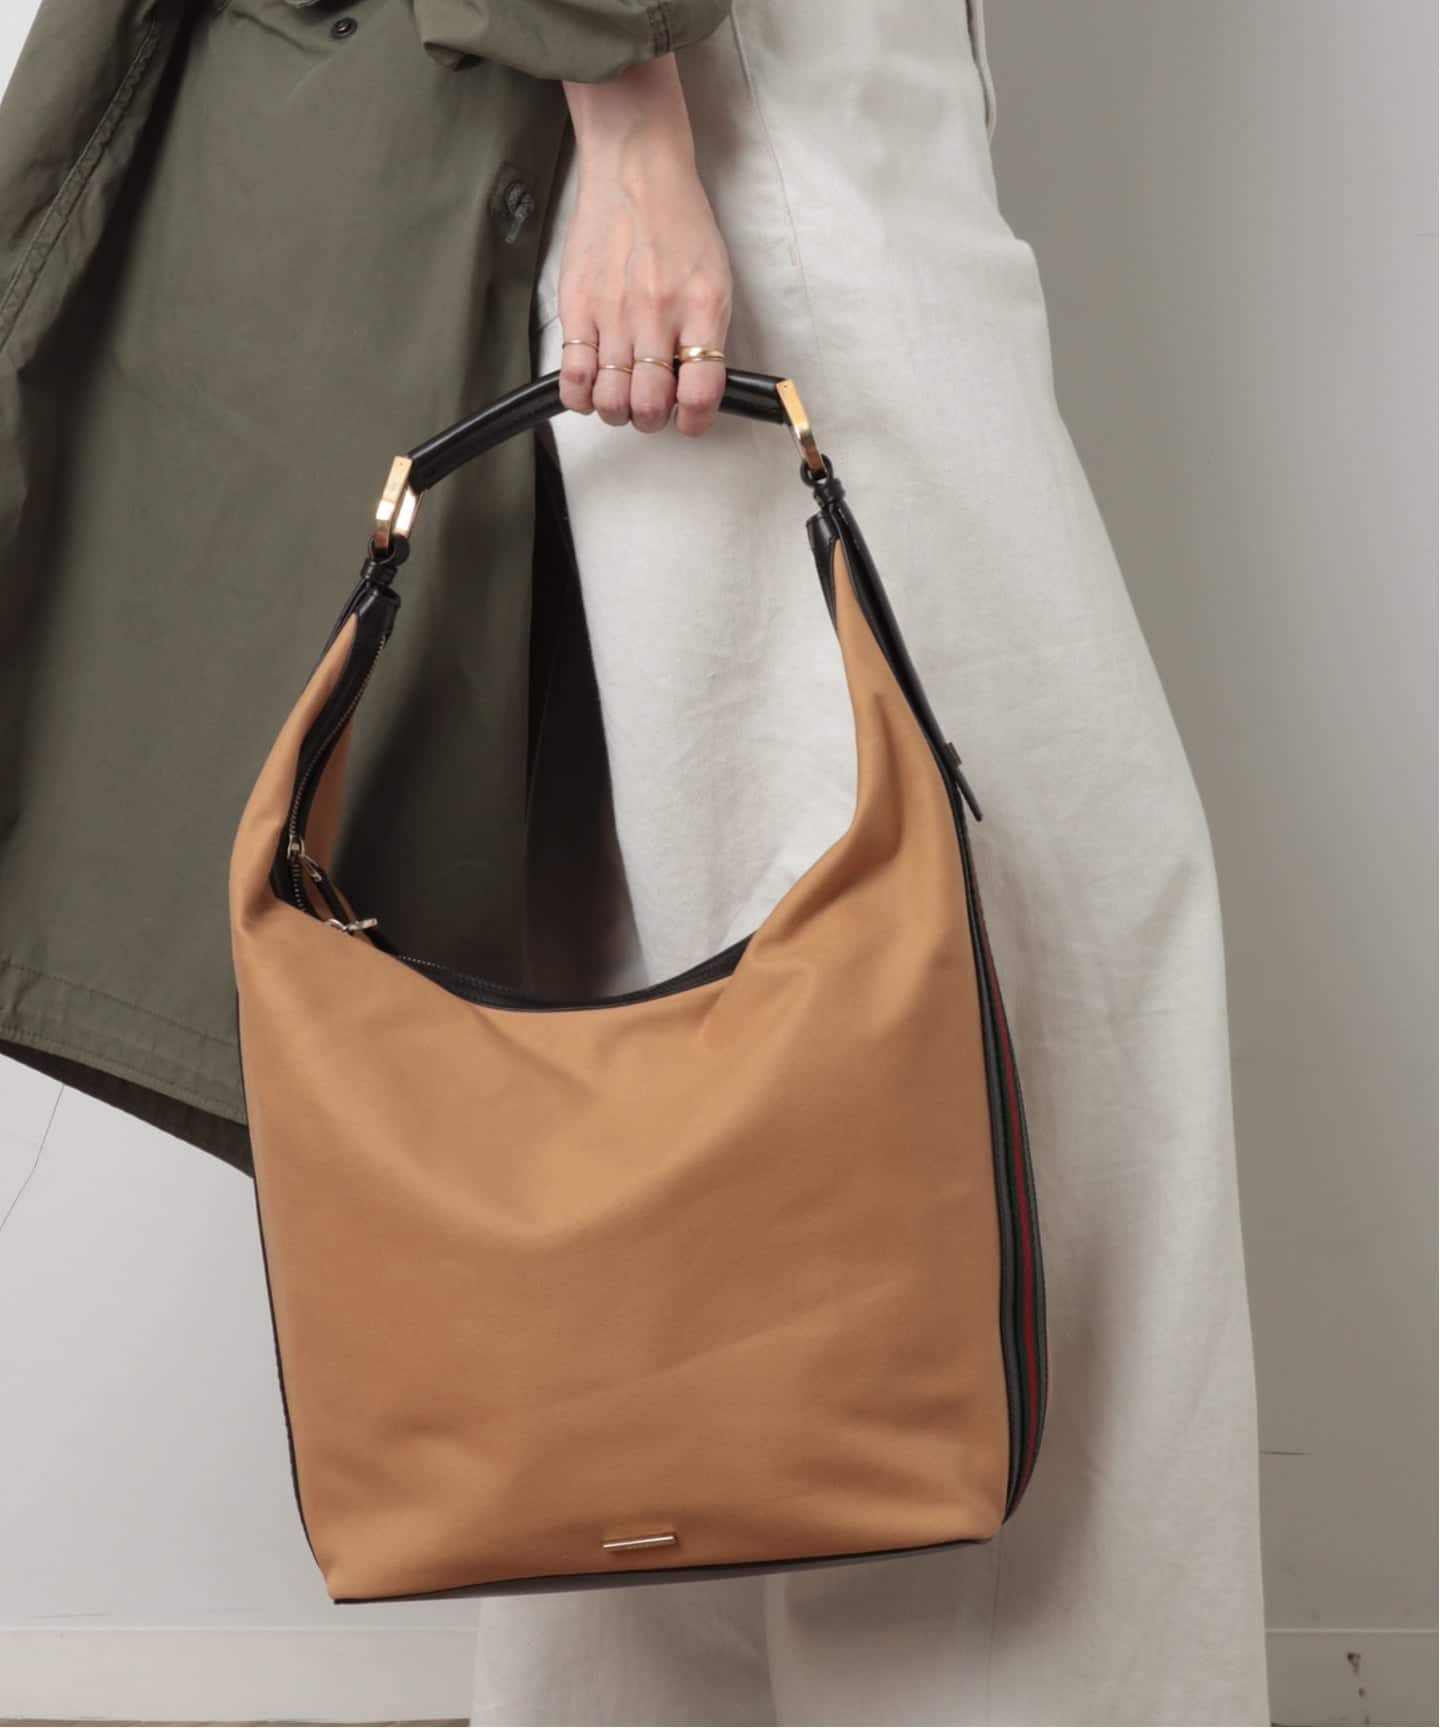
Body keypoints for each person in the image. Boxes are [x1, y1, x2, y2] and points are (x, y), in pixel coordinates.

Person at [0, 2, 1268, 1722]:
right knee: (1004, 1053)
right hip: (727, 89)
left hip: (735, 90)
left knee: (633, 1081)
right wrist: (630, 111)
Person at [474, 5, 1271, 1725]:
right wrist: (631, 121)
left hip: (787, 116)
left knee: (682, 1039)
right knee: (1014, 1017)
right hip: (743, 109)